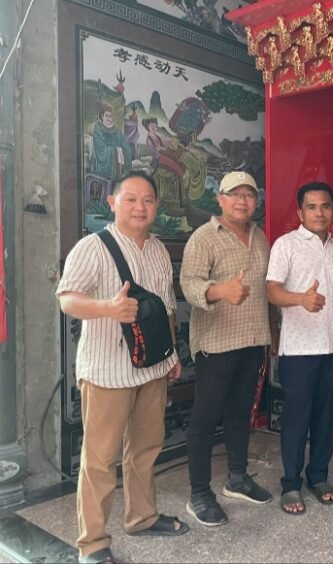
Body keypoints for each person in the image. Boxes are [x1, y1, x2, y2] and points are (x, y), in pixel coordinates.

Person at [56, 170, 189, 564]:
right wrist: (108, 308)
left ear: (157, 206)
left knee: (145, 449)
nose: (139, 207)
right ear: (113, 202)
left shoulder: (159, 250)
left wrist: (171, 355)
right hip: (106, 371)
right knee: (100, 459)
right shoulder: (92, 247)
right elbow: (67, 299)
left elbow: (165, 307)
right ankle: (92, 543)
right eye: (130, 199)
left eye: (147, 200)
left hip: (152, 368)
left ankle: (142, 517)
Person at [180, 171, 276, 527]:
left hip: (253, 340)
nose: (242, 201)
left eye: (248, 194)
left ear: (256, 201)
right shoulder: (204, 237)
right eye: (234, 194)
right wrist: (220, 291)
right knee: (205, 418)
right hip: (216, 344)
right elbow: (189, 283)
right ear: (219, 199)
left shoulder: (261, 237)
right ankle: (199, 494)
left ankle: (237, 478)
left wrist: (273, 332)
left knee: (239, 413)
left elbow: (266, 290)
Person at [266, 182, 333, 515]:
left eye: (325, 206)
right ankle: (291, 484)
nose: (319, 213)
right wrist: (300, 299)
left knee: (324, 416)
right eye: (312, 207)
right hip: (299, 350)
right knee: (297, 418)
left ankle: (318, 476)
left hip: (332, 347)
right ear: (300, 212)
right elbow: (272, 291)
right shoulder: (286, 245)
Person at [89, 103, 132, 181]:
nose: (109, 118)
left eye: (110, 116)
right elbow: (100, 148)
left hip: (116, 163)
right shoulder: (98, 128)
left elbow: (124, 143)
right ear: (102, 116)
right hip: (101, 163)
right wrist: (115, 150)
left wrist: (124, 150)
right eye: (106, 115)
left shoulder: (116, 130)